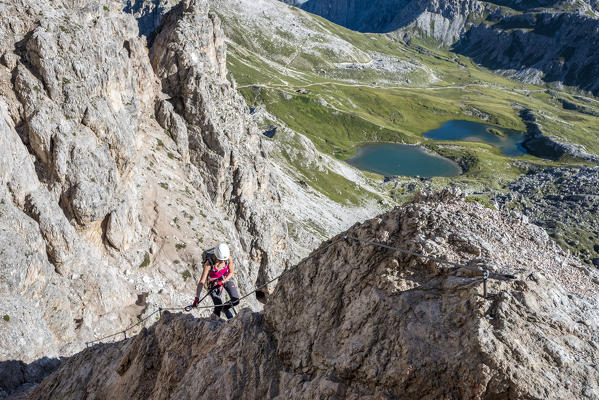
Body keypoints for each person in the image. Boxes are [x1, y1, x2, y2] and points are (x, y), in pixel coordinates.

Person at [192, 243, 240, 320]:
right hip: (213, 283)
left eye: (224, 260)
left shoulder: (228, 258)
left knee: (236, 300)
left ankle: (225, 308)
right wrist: (197, 298)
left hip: (225, 278)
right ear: (216, 257)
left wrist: (223, 281)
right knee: (218, 305)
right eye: (221, 260)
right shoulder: (208, 264)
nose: (223, 262)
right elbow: (202, 282)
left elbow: (231, 273)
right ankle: (215, 322)